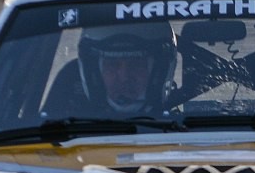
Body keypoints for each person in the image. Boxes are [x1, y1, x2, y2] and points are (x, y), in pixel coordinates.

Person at [43, 23, 178, 117]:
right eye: (112, 65)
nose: (124, 77)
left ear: (159, 71)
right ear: (94, 73)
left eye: (137, 65)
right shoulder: (58, 125)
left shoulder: (189, 126)